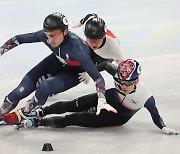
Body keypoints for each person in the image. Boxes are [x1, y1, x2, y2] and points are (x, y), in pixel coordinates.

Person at [0, 12, 117, 121]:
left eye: (53, 35)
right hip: (56, 62)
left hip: (74, 73)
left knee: (45, 87)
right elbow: (18, 39)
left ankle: (27, 112)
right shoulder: (46, 36)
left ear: (65, 32)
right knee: (18, 93)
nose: (50, 40)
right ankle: (2, 112)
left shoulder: (77, 49)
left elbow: (98, 78)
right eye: (48, 35)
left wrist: (101, 99)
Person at [21, 59, 179, 135]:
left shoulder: (145, 95)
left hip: (117, 116)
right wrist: (90, 73)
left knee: (74, 118)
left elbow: (155, 114)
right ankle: (42, 111)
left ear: (137, 80)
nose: (123, 85)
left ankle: (38, 122)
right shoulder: (118, 74)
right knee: (72, 104)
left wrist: (163, 127)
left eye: (128, 83)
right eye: (120, 81)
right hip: (109, 97)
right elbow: (104, 64)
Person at [73, 13, 124, 84]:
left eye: (97, 39)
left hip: (104, 56)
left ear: (103, 37)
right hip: (95, 49)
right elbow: (91, 15)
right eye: (90, 39)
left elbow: (125, 68)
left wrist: (91, 73)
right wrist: (80, 22)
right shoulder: (88, 26)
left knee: (81, 72)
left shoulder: (113, 49)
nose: (94, 43)